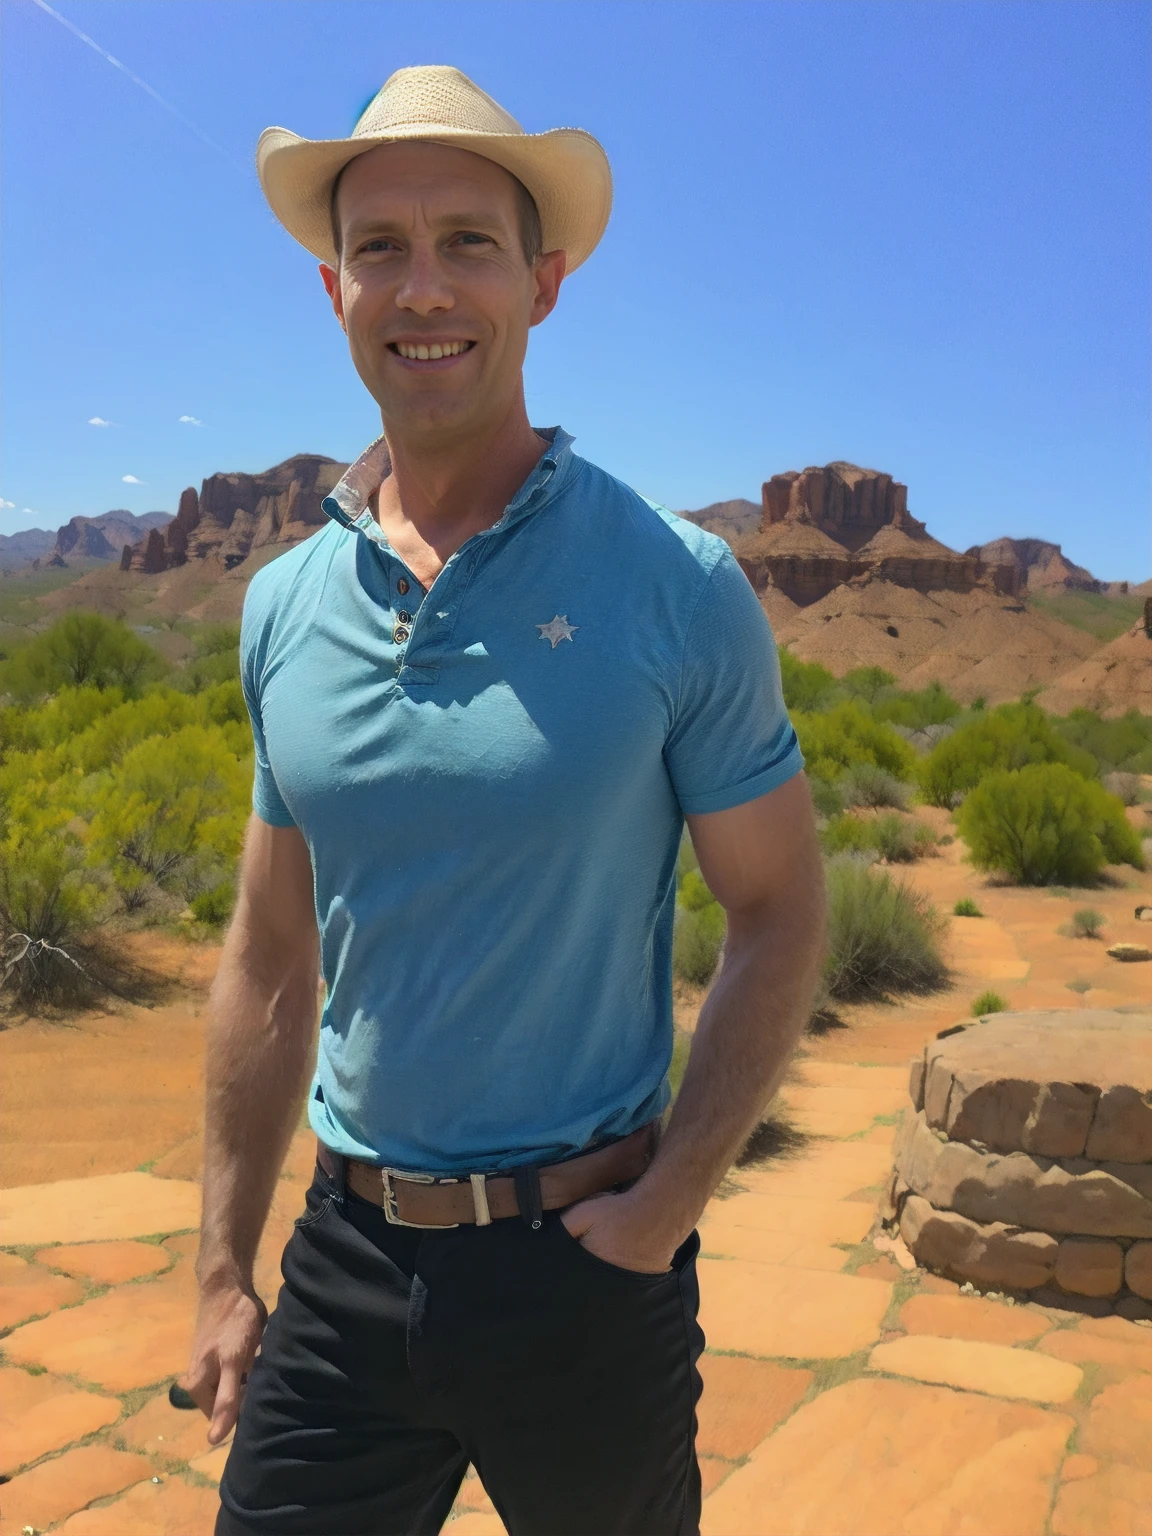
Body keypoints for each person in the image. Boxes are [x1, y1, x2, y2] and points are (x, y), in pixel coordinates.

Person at [181, 64, 826, 1536]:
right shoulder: (283, 604)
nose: (424, 288)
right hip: (345, 1262)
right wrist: (224, 1267)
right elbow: (270, 956)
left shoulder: (677, 585)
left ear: (543, 284)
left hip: (585, 1270)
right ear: (331, 287)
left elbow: (781, 910)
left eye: (468, 241)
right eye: (382, 248)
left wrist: (662, 1213)